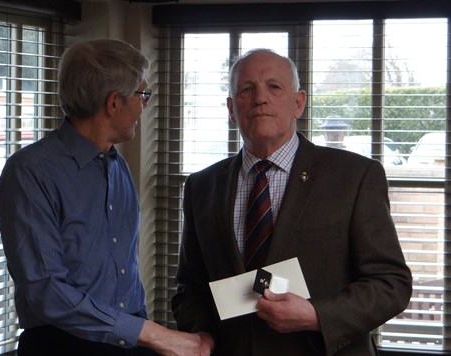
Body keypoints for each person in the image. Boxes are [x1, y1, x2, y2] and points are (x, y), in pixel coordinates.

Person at [171, 48, 413, 355]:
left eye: (274, 87)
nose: (260, 98)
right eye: (247, 89)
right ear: (231, 108)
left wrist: (317, 315)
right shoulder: (201, 186)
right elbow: (189, 289)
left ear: (298, 103)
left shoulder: (355, 176)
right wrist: (200, 333)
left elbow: (392, 284)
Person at [0, 39, 208, 356]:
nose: (144, 106)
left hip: (129, 342)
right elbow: (46, 290)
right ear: (113, 103)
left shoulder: (116, 165)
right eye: (142, 95)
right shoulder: (30, 173)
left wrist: (144, 336)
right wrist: (152, 334)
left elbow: (123, 274)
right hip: (62, 346)